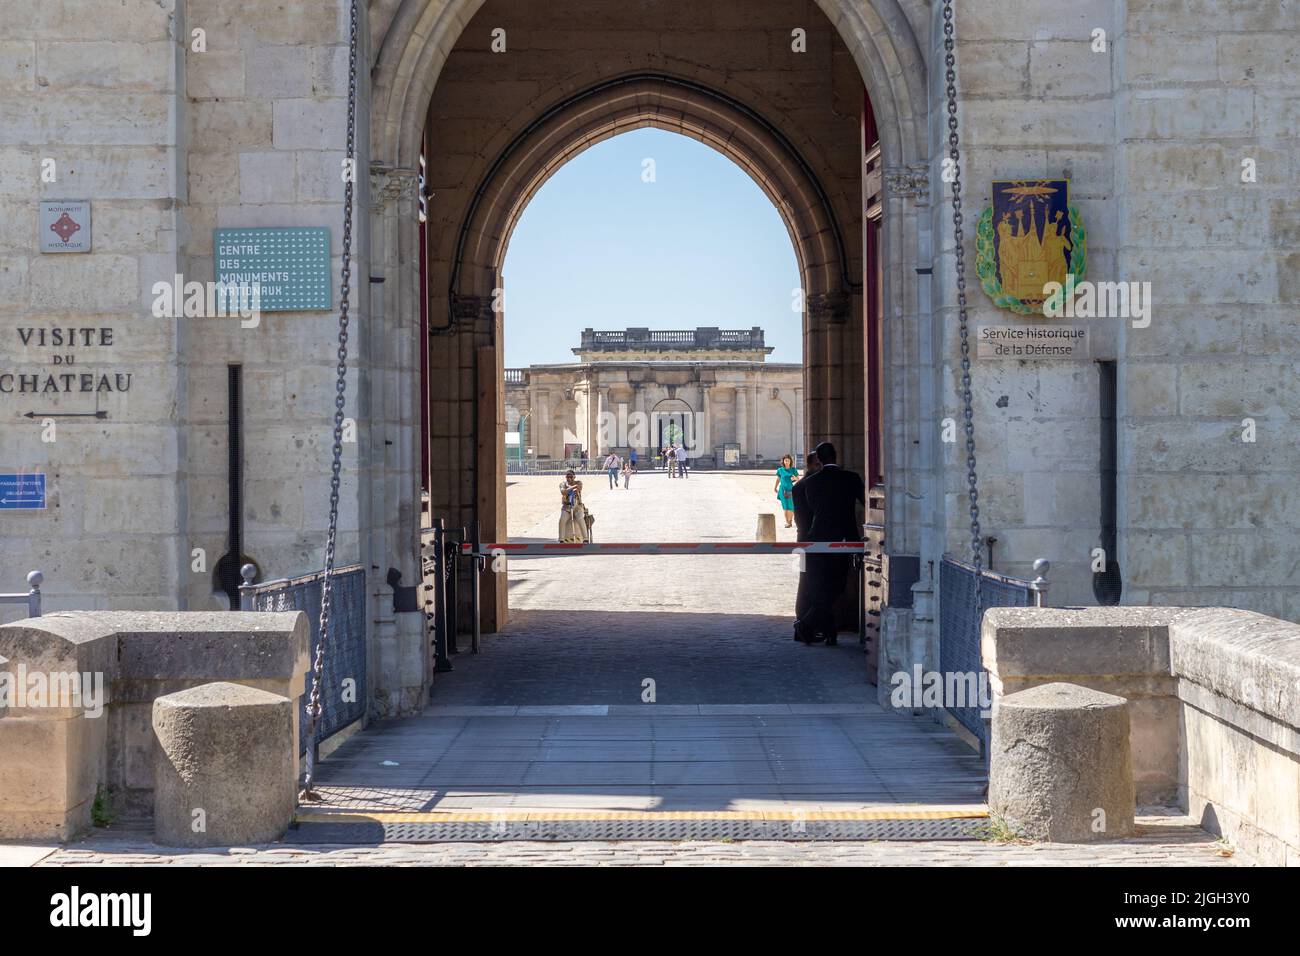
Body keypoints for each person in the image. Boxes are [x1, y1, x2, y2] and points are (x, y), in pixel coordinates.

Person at [791, 441, 864, 646]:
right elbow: (868, 502)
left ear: (820, 460)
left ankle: (820, 629)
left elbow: (815, 512)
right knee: (837, 587)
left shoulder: (811, 483)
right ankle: (808, 624)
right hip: (844, 540)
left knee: (822, 588)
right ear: (836, 456)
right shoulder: (851, 478)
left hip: (816, 540)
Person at [557, 470, 588, 543]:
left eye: (571, 476)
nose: (569, 478)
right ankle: (561, 539)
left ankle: (585, 538)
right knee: (562, 520)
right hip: (567, 507)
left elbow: (579, 488)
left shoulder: (579, 482)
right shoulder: (563, 484)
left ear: (574, 477)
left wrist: (570, 488)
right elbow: (563, 491)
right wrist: (573, 487)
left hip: (577, 506)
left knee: (580, 518)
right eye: (567, 477)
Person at [774, 454, 799, 528]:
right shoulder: (780, 470)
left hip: (791, 489)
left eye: (788, 460)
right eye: (785, 460)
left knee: (791, 506)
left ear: (790, 461)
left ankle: (790, 521)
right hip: (782, 490)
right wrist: (775, 487)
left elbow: (798, 479)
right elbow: (778, 479)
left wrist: (794, 478)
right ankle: (787, 522)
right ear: (783, 461)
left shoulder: (793, 469)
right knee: (785, 506)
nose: (787, 462)